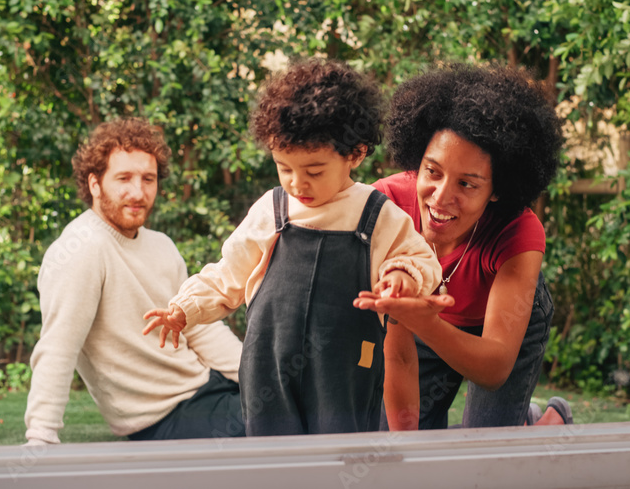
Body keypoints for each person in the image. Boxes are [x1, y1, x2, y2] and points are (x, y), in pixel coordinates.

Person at [144, 59, 442, 436]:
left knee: (341, 454)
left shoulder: (378, 215)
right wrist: (183, 310)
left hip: (347, 371)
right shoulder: (271, 210)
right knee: (272, 459)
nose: (297, 183)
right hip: (268, 367)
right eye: (285, 168)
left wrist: (400, 275)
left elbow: (422, 262)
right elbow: (227, 276)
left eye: (314, 171)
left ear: (356, 153)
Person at [353, 63, 568, 430]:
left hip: (500, 328)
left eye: (467, 184)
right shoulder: (386, 207)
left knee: (486, 460)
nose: (441, 197)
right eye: (432, 172)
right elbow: (397, 350)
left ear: (497, 190)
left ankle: (547, 421)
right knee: (406, 432)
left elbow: (495, 367)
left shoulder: (518, 233)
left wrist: (423, 320)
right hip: (424, 322)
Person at [25, 117, 245, 444]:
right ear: (95, 184)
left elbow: (200, 330)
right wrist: (40, 439)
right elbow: (59, 347)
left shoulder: (161, 246)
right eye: (124, 178)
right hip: (165, 416)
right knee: (293, 427)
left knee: (305, 405)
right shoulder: (81, 248)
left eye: (148, 179)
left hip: (208, 389)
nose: (138, 192)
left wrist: (254, 378)